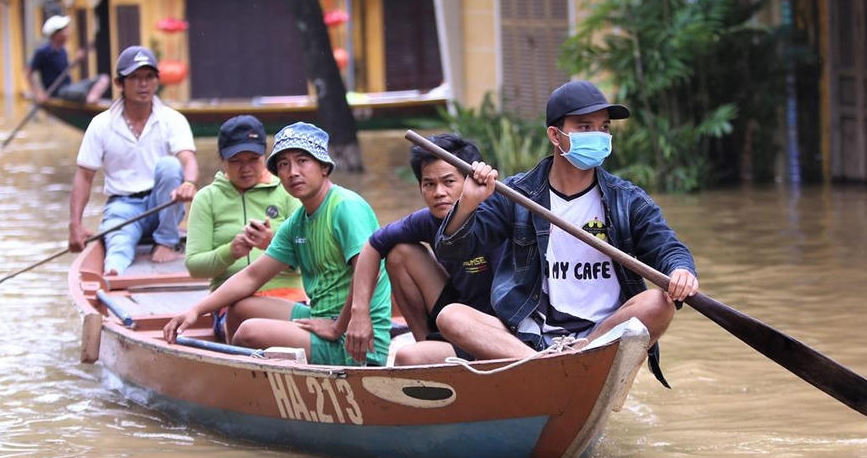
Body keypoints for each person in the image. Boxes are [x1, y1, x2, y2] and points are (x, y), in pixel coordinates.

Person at [433, 80, 698, 385]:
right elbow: (451, 250)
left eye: (604, 127)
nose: (598, 136)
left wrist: (681, 270)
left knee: (658, 303)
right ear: (555, 136)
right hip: (532, 338)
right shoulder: (517, 194)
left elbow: (667, 247)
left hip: (601, 338)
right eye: (585, 127)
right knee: (451, 316)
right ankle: (539, 366)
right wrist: (468, 202)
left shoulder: (628, 199)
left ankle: (580, 357)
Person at [163, 122, 393, 367]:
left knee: (249, 332)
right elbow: (252, 276)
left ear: (324, 167)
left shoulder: (345, 206)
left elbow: (370, 270)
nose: (293, 172)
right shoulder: (297, 222)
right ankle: (239, 382)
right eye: (284, 164)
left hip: (357, 338)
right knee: (240, 308)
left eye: (302, 161)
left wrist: (340, 326)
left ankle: (248, 384)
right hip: (321, 318)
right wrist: (195, 310)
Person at [323, 133, 498, 366]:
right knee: (399, 253)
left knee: (406, 356)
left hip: (497, 330)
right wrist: (359, 313)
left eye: (448, 182)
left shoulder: (496, 217)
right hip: (453, 315)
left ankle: (426, 358)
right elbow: (373, 245)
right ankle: (427, 345)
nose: (438, 193)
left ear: (470, 183)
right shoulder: (428, 220)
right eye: (429, 184)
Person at [69, 45, 199, 276]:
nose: (143, 84)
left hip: (163, 204)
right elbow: (84, 176)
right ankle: (113, 275)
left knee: (169, 166)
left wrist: (189, 183)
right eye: (135, 78)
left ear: (157, 81)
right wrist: (75, 225)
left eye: (149, 77)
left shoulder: (172, 119)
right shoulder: (101, 124)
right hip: (123, 207)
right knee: (117, 253)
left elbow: (188, 160)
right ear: (120, 83)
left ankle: (167, 242)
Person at [184, 115, 306, 340]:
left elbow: (312, 255)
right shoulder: (206, 198)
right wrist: (231, 251)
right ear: (222, 160)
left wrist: (273, 242)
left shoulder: (289, 191)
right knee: (249, 324)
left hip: (289, 298)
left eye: (253, 159)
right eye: (236, 161)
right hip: (231, 305)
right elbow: (195, 266)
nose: (246, 168)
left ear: (265, 156)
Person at [25, 14, 110, 104]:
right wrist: (38, 93)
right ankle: (89, 102)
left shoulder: (63, 51)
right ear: (56, 34)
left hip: (70, 87)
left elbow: (65, 70)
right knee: (82, 93)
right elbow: (28, 73)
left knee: (104, 79)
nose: (68, 32)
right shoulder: (43, 52)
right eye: (65, 30)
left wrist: (77, 61)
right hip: (58, 92)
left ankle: (90, 102)